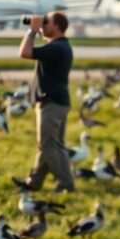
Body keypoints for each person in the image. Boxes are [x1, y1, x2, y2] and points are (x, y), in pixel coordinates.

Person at [13, 12, 75, 193]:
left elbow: (24, 52)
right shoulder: (60, 46)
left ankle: (66, 183)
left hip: (52, 103)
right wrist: (39, 28)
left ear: (57, 26)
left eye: (47, 22)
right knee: (49, 145)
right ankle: (33, 183)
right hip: (57, 101)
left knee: (49, 145)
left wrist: (32, 31)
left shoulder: (56, 48)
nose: (43, 25)